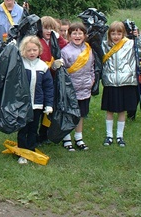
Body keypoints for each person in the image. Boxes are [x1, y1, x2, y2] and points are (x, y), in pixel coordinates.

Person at [101, 21, 141, 147]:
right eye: (113, 33)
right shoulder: (105, 45)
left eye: (119, 33)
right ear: (109, 34)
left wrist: (138, 36)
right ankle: (109, 135)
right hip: (110, 82)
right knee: (109, 110)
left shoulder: (131, 44)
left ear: (124, 34)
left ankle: (120, 136)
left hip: (126, 82)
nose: (116, 36)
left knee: (122, 111)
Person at [17, 35, 54, 164]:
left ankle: (31, 150)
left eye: (34, 50)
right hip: (23, 104)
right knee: (23, 129)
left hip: (37, 104)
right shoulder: (20, 64)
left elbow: (48, 87)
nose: (32, 53)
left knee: (33, 129)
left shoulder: (43, 66)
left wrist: (48, 104)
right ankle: (22, 152)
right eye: (28, 50)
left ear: (39, 50)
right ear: (23, 51)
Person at [60, 22, 95, 151]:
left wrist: (92, 80)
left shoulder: (88, 49)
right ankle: (66, 138)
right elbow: (62, 72)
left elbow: (92, 67)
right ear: (69, 36)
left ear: (85, 35)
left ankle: (79, 138)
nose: (77, 35)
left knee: (80, 114)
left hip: (85, 88)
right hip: (71, 89)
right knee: (69, 114)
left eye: (80, 33)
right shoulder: (65, 51)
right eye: (74, 33)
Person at [37, 16, 67, 144]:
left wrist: (58, 37)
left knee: (50, 107)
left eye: (52, 28)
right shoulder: (38, 41)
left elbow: (65, 45)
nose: (49, 31)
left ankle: (44, 133)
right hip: (41, 78)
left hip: (53, 78)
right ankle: (36, 133)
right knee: (39, 107)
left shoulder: (55, 41)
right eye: (46, 28)